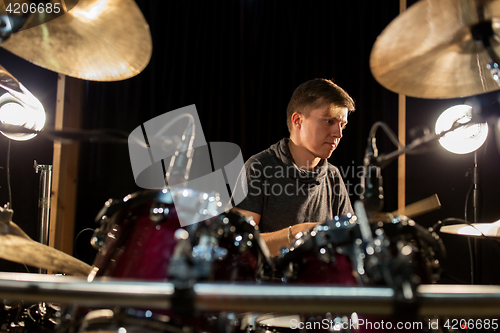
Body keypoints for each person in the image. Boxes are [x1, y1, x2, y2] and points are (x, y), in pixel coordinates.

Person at [234, 78, 355, 256]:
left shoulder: (333, 176)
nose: (339, 133)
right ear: (298, 120)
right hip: (271, 283)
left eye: (342, 124)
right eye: (329, 121)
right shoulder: (258, 168)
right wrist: (297, 235)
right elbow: (240, 244)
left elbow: (348, 242)